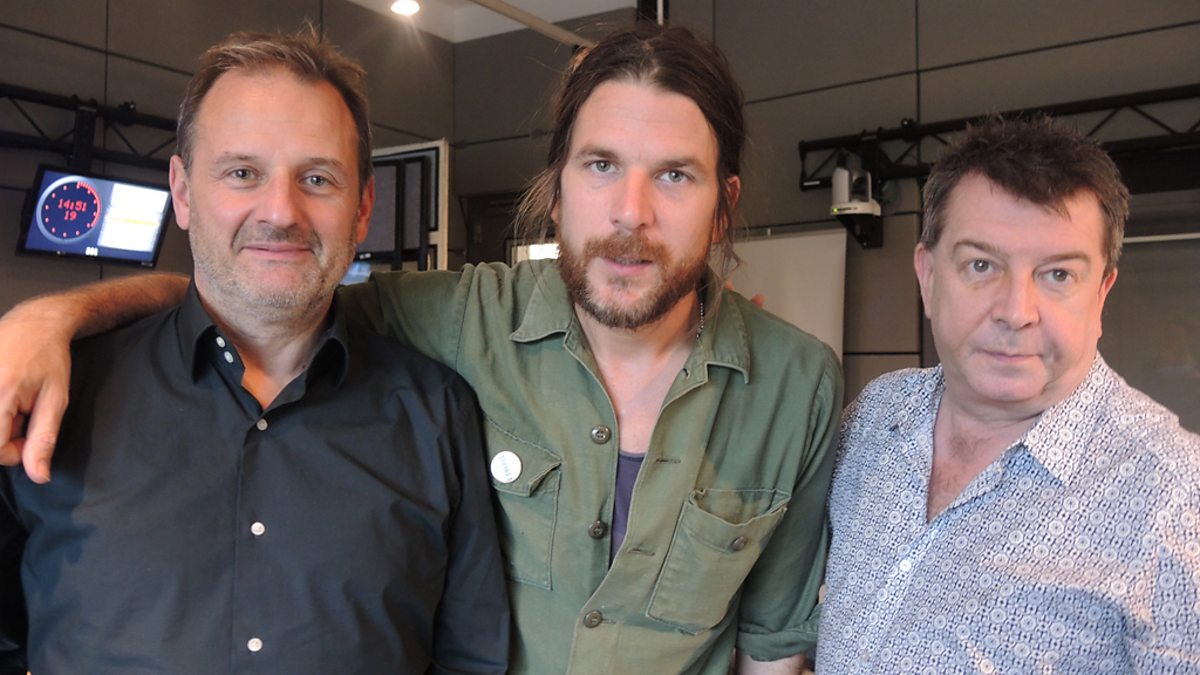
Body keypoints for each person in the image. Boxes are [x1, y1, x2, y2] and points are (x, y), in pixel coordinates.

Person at [0, 23, 841, 674]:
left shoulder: (795, 385)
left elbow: (773, 649)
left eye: (674, 175)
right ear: (556, 192)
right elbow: (267, 292)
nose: (631, 212)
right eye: (599, 165)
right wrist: (50, 320)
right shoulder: (464, 319)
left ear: (724, 205)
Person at [0, 28, 508, 673]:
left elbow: (470, 659)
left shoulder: (436, 414)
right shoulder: (50, 396)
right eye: (243, 173)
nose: (281, 211)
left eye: (318, 178)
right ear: (183, 192)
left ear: (362, 207)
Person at [819, 116, 1200, 672]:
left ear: (1101, 294)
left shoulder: (1177, 497)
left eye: (1058, 275)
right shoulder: (875, 416)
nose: (1016, 312)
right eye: (981, 265)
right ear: (928, 276)